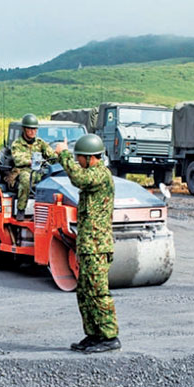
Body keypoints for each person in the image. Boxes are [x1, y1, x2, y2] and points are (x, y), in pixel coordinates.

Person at [54, 134, 120, 354]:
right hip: (88, 245)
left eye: (79, 158)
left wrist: (63, 153)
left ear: (91, 158)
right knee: (84, 292)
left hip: (97, 246)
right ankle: (94, 334)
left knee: (98, 291)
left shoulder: (100, 173)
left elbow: (78, 179)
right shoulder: (93, 172)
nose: (78, 161)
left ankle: (109, 336)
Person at [7, 114, 56, 220]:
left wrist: (59, 156)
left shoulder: (40, 143)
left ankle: (41, 212)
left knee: (50, 182)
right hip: (23, 170)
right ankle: (21, 210)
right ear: (24, 129)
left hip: (39, 171)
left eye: (35, 129)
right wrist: (31, 161)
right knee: (25, 180)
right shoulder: (17, 144)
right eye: (30, 129)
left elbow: (51, 155)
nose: (33, 131)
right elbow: (18, 159)